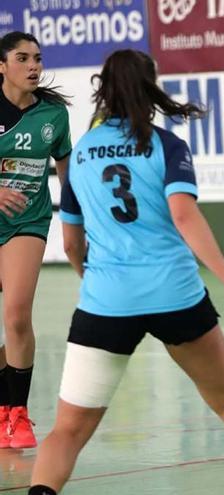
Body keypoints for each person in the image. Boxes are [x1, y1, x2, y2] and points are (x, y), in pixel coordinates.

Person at [28, 50, 224, 495]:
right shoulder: (167, 146)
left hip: (106, 303)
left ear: (103, 89)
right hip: (176, 296)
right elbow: (184, 216)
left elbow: (72, 242)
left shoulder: (80, 157)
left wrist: (91, 277)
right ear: (151, 87)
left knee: (67, 432)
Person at [0, 31, 72, 450]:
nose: (33, 66)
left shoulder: (53, 114)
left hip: (27, 221)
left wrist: (76, 222)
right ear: (2, 66)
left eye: (38, 59)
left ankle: (19, 414)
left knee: (15, 313)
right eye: (23, 58)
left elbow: (67, 172)